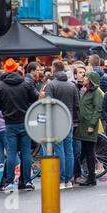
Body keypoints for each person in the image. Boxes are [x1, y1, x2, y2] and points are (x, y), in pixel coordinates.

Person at [0, 58, 39, 192]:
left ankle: (9, 181)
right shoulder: (25, 84)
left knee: (11, 153)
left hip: (9, 123)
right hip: (24, 122)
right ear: (16, 69)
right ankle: (27, 181)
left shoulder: (0, 86)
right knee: (26, 152)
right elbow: (35, 98)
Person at [45, 60, 80, 189]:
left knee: (59, 149)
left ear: (54, 69)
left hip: (56, 121)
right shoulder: (71, 85)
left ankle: (61, 179)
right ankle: (68, 180)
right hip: (69, 120)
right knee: (69, 149)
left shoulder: (51, 85)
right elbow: (77, 105)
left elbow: (47, 104)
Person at [75, 71, 103, 187]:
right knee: (85, 152)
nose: (84, 78)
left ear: (91, 80)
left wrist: (91, 125)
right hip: (84, 126)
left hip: (88, 126)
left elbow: (97, 110)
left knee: (90, 152)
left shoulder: (96, 92)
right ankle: (78, 174)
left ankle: (91, 178)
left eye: (86, 77)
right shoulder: (87, 91)